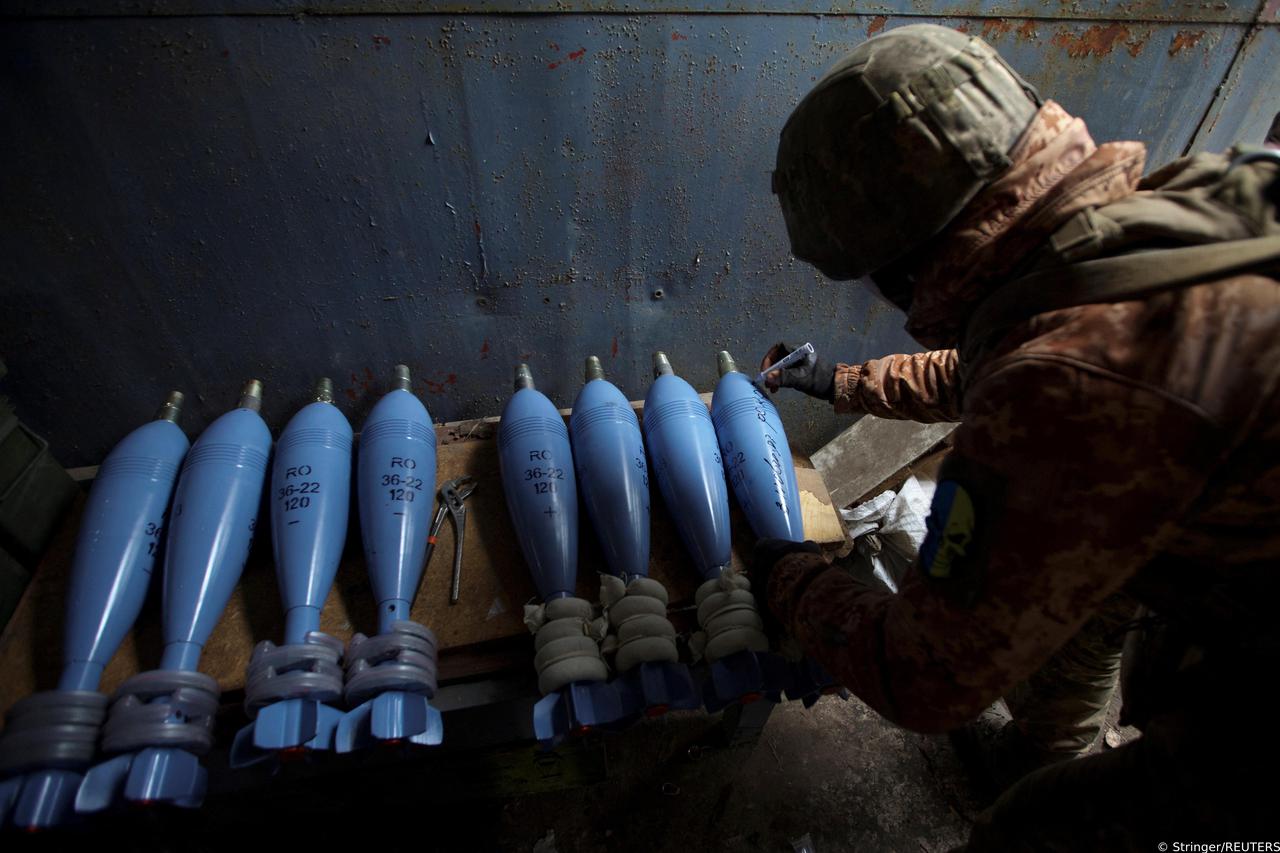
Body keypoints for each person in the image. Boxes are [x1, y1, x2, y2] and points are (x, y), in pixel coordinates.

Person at [752, 23, 1280, 850]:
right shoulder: (1168, 217)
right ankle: (1039, 742)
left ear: (902, 267)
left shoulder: (1071, 385)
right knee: (1098, 593)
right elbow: (1006, 367)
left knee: (1041, 830)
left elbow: (925, 674)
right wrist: (844, 382)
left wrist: (786, 575)